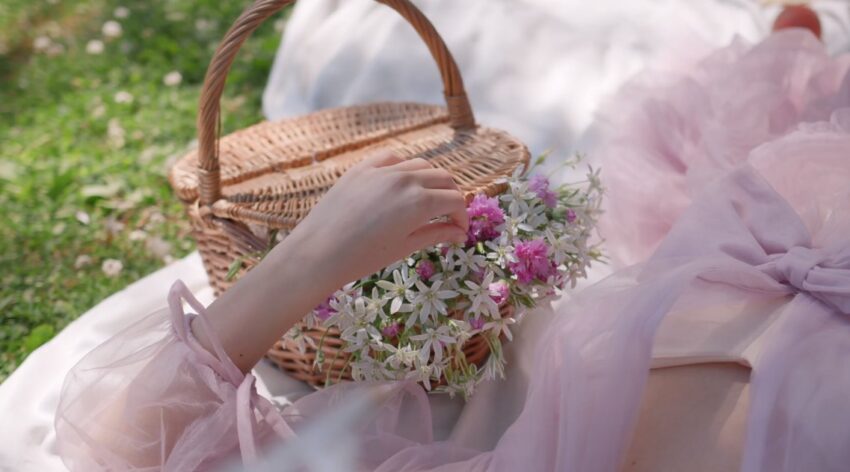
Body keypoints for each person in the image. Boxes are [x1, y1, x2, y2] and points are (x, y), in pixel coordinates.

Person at [56, 15, 850, 472]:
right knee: (758, 140)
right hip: (764, 279)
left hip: (734, 293)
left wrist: (311, 256)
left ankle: (792, 51)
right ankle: (793, 52)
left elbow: (127, 444)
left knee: (754, 145)